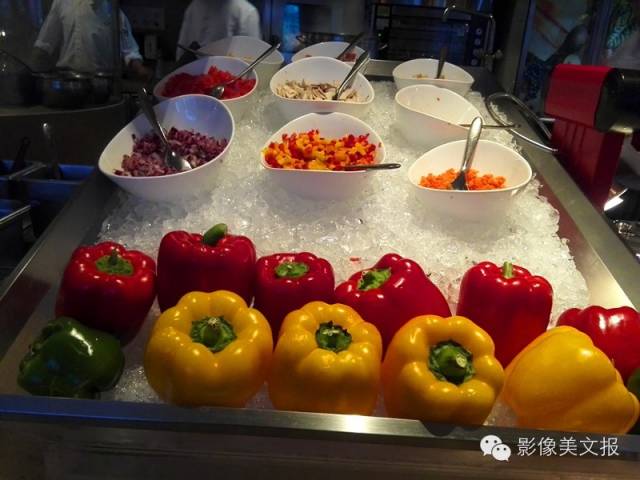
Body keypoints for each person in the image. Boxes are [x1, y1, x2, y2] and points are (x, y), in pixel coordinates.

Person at [32, 0, 151, 79]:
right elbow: (44, 43)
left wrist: (140, 69)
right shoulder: (62, 2)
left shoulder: (112, 10)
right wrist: (31, 68)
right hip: (67, 81)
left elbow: (129, 51)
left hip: (102, 83)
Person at [176, 0, 261, 59]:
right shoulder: (195, 5)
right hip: (194, 74)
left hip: (227, 75)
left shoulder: (246, 12)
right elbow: (182, 50)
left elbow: (251, 59)